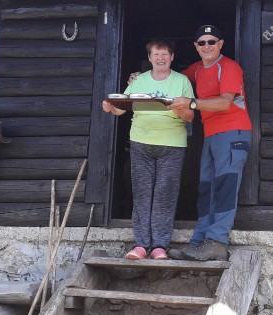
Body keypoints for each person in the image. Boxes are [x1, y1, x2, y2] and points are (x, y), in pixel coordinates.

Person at [103, 39, 194, 260]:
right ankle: (141, 245)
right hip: (140, 142)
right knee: (142, 194)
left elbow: (190, 116)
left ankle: (160, 247)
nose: (160, 58)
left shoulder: (182, 81)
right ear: (150, 58)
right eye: (156, 54)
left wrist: (176, 108)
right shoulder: (139, 80)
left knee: (165, 195)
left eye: (165, 54)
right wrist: (109, 107)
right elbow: (122, 109)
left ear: (172, 57)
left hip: (172, 144)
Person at [167, 25, 252, 262]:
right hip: (211, 135)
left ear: (220, 44)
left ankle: (217, 242)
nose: (207, 46)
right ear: (196, 46)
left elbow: (225, 103)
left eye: (211, 42)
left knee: (225, 186)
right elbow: (171, 78)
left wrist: (191, 103)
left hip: (233, 133)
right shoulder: (196, 69)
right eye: (202, 43)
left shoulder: (229, 67)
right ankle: (198, 242)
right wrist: (139, 76)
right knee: (207, 188)